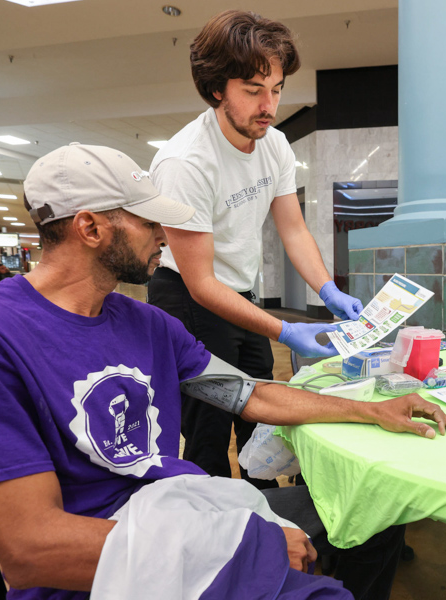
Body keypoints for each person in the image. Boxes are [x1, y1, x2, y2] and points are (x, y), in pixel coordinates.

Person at [0, 143, 446, 600]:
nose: (165, 235)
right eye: (148, 222)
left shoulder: (147, 323)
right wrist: (244, 549)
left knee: (373, 516)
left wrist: (371, 410)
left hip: (178, 511)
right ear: (90, 228)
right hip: (112, 568)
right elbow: (31, 550)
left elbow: (248, 396)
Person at [148, 10, 364, 484]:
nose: (269, 105)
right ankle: (218, 537)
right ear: (216, 88)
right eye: (253, 89)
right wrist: (285, 332)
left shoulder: (275, 144)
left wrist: (327, 289)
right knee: (209, 424)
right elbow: (201, 284)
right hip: (187, 295)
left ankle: (268, 518)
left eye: (278, 89)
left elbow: (293, 230)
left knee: (263, 416)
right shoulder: (185, 163)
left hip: (238, 293)